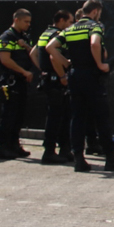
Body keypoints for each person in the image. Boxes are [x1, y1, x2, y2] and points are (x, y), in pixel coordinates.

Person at [50, 0, 114, 174]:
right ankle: (111, 158)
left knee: (77, 118)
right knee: (102, 118)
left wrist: (67, 64)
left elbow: (51, 47)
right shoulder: (94, 26)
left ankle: (79, 158)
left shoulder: (70, 29)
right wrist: (100, 64)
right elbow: (94, 43)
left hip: (75, 76)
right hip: (92, 76)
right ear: (95, 11)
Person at [30, 9, 74, 163]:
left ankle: (63, 149)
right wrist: (62, 74)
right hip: (57, 81)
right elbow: (53, 56)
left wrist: (43, 69)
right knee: (58, 117)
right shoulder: (58, 36)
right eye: (69, 22)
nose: (71, 25)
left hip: (48, 79)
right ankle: (50, 151)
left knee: (57, 115)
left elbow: (33, 54)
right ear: (61, 20)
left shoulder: (45, 33)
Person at [0, 9, 35, 160]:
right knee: (9, 115)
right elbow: (5, 60)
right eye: (26, 22)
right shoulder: (7, 37)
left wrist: (25, 46)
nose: (28, 25)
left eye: (29, 22)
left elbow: (32, 54)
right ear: (16, 20)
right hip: (10, 80)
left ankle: (15, 145)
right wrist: (24, 71)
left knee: (19, 115)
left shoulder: (24, 37)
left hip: (22, 81)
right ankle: (4, 147)